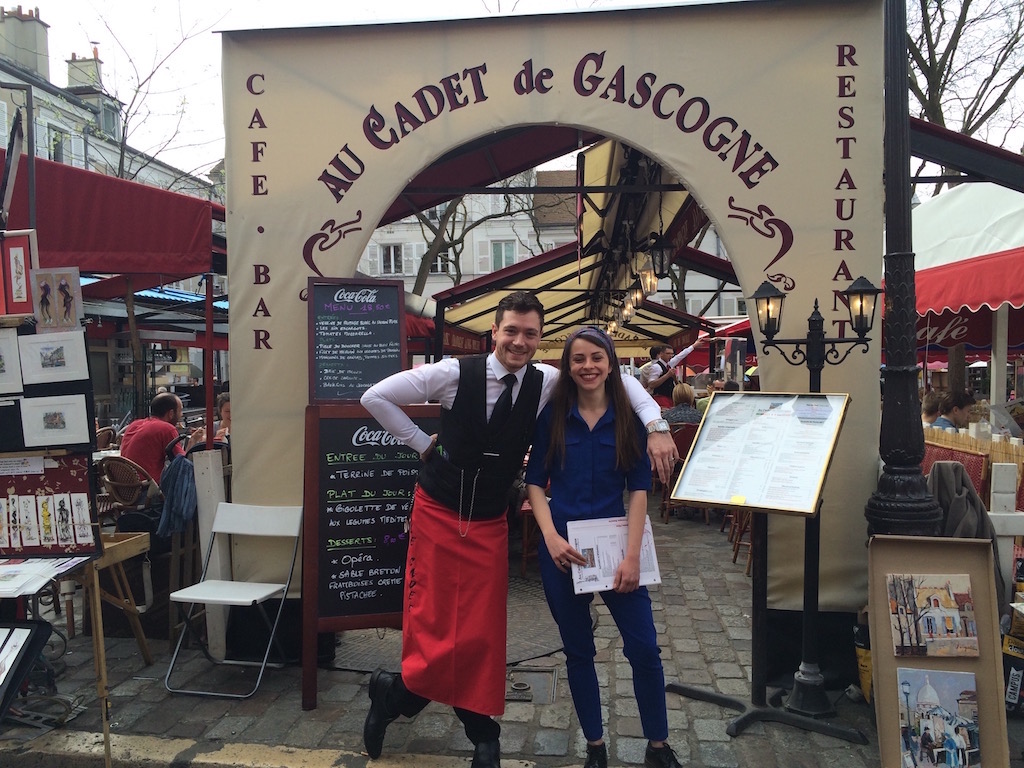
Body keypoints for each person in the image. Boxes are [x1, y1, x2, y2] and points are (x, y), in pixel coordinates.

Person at [359, 291, 677, 768]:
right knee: (432, 622)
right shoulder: (452, 373)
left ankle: (473, 727)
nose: (520, 341)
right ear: (495, 331)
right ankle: (411, 698)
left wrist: (656, 424)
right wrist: (422, 444)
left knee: (481, 631)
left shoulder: (546, 381)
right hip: (440, 510)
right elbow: (375, 396)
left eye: (530, 333)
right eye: (512, 330)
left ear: (539, 339)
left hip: (487, 519)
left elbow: (621, 380)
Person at [524, 326, 683, 768]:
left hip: (617, 550)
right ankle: (595, 746)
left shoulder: (629, 421)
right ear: (568, 367)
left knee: (645, 650)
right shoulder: (552, 418)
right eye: (579, 359)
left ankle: (658, 745)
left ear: (611, 364)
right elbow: (535, 482)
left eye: (597, 357)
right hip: (562, 550)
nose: (588, 366)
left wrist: (632, 557)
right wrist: (550, 537)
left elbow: (637, 491)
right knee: (578, 651)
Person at [120, 392, 205, 483]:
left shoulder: (134, 424)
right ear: (171, 413)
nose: (181, 415)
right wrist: (193, 440)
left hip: (124, 488)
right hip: (147, 490)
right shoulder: (166, 429)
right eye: (180, 411)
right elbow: (183, 465)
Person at [639, 341, 703, 407]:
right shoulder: (656, 367)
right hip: (660, 399)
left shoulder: (669, 364)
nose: (670, 356)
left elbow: (680, 356)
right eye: (668, 353)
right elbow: (651, 384)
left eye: (672, 354)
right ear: (661, 354)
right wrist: (667, 375)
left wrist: (693, 346)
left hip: (669, 398)